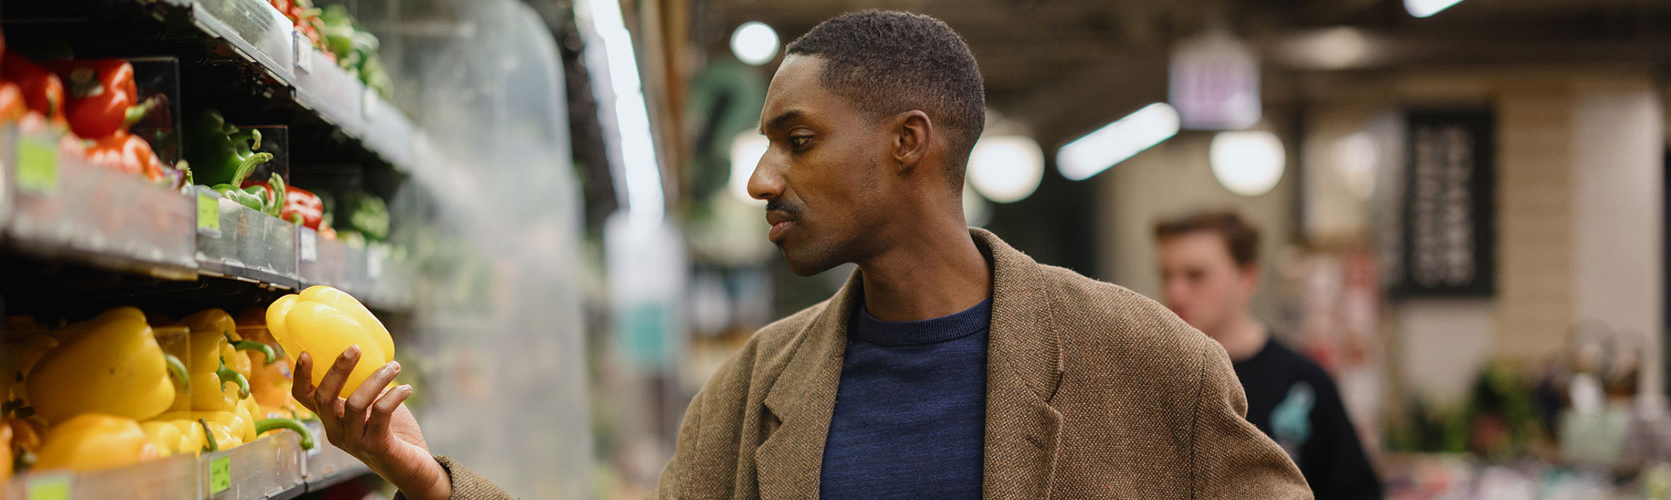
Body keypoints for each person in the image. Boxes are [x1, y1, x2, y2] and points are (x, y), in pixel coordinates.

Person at [293, 11, 1310, 500]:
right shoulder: (755, 390)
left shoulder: (1145, 364)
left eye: (799, 139)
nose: (761, 178)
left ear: (910, 143)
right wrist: (426, 479)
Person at [1153, 211, 1383, 500]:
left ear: (1247, 278)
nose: (1175, 293)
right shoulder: (1153, 382)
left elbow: (1357, 491)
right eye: (1166, 275)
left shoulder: (1305, 382)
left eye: (1195, 275)